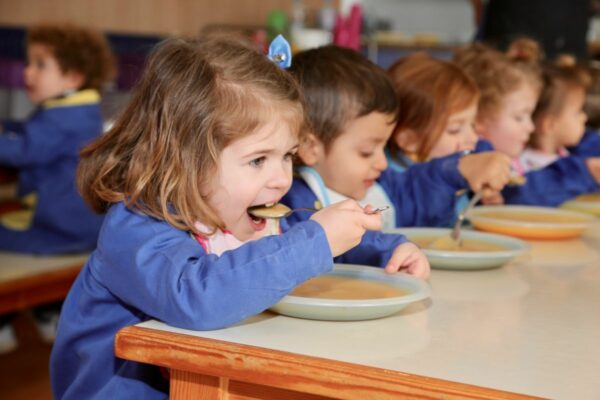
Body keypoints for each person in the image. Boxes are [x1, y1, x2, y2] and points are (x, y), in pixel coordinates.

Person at [50, 36, 429, 400]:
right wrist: (317, 240)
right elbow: (197, 296)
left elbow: (296, 240)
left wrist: (384, 249)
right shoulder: (138, 226)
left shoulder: (244, 209)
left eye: (287, 155)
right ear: (188, 159)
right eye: (258, 160)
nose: (282, 178)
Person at [282, 45, 510, 229]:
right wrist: (391, 248)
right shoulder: (296, 209)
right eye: (367, 152)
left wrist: (458, 171)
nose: (382, 163)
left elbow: (416, 191)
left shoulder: (381, 187)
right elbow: (345, 250)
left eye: (382, 148)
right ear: (311, 148)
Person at [0, 22, 115, 353]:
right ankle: (46, 313)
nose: (28, 72)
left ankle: (6, 321)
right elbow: (33, 132)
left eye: (40, 64)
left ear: (73, 78)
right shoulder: (78, 111)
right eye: (29, 62)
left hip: (59, 228)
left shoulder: (61, 118)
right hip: (82, 226)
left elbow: (24, 150)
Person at [455, 42, 600, 206]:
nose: (531, 127)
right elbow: (516, 196)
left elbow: (586, 142)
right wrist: (582, 173)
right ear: (479, 120)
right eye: (519, 117)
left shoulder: (509, 153)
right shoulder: (472, 161)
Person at [385, 52, 514, 216]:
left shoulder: (463, 158)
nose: (472, 138)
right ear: (409, 139)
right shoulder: (390, 182)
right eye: (455, 130)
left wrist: (483, 200)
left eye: (473, 125)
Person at [520, 57, 591, 171]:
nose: (584, 117)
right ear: (549, 125)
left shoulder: (566, 155)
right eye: (578, 112)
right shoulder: (527, 169)